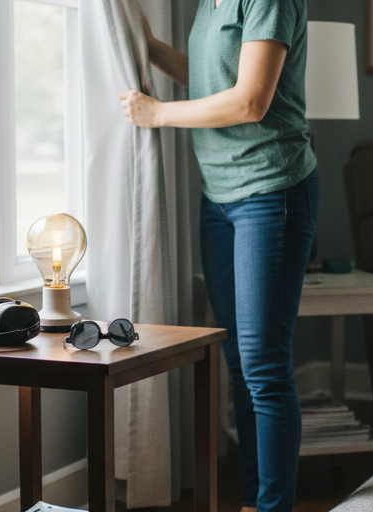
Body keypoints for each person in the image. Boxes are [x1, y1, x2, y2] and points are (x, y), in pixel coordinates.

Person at [119, 2, 317, 511]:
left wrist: (158, 113)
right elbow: (218, 75)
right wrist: (155, 50)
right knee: (239, 363)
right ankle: (253, 503)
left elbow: (250, 101)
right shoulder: (212, 3)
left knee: (264, 366)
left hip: (271, 191)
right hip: (220, 196)